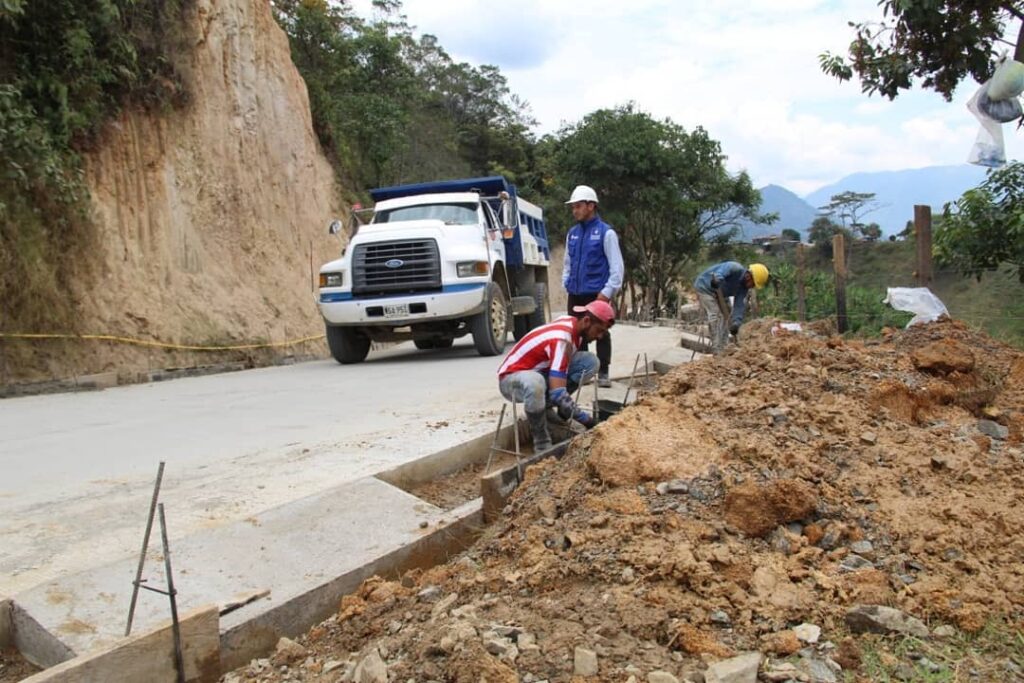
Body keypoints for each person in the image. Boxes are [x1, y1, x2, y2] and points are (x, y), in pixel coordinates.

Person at [497, 300, 616, 452]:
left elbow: (558, 373)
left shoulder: (575, 326)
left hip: (539, 371)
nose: (599, 337)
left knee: (590, 362)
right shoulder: (562, 340)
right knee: (536, 383)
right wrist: (589, 421)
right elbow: (558, 393)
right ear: (586, 321)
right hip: (511, 379)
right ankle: (541, 442)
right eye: (599, 330)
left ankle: (547, 409)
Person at [562, 185, 624, 388]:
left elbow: (617, 268)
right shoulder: (572, 234)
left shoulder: (606, 234)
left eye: (578, 206)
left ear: (591, 206)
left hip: (597, 294)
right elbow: (567, 263)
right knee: (578, 333)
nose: (575, 211)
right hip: (576, 292)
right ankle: (584, 371)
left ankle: (603, 371)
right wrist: (567, 283)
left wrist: (605, 294)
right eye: (573, 207)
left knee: (600, 332)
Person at [693, 262, 770, 354]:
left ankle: (724, 346)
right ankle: (716, 348)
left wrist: (736, 323)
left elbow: (739, 305)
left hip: (721, 293)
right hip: (705, 288)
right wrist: (717, 279)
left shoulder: (743, 288)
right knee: (716, 316)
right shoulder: (735, 268)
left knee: (728, 316)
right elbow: (722, 271)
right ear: (749, 276)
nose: (752, 287)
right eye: (753, 284)